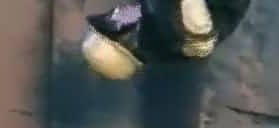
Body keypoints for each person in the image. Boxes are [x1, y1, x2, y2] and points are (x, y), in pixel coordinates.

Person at [81, 0, 251, 80]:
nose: (116, 13)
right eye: (116, 27)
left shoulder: (143, 20)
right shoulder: (184, 35)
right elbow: (199, 35)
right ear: (128, 42)